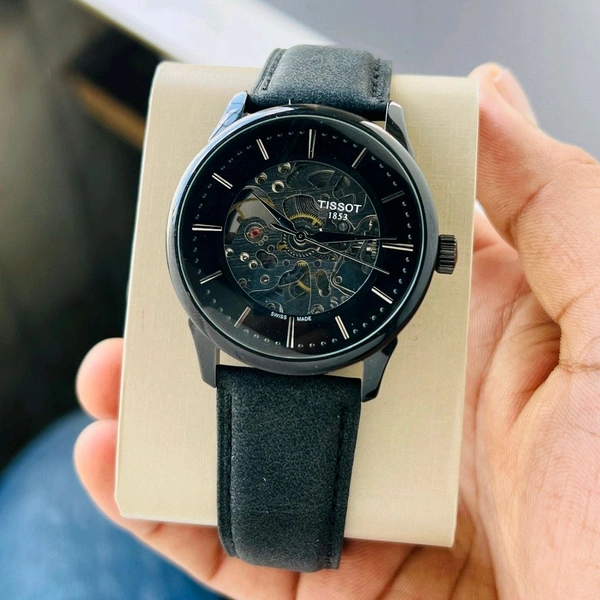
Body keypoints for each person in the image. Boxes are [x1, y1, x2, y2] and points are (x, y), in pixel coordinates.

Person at [2, 62, 600, 599]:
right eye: (291, 236)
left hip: (309, 335)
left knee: (44, 500)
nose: (303, 242)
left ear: (434, 255)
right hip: (254, 332)